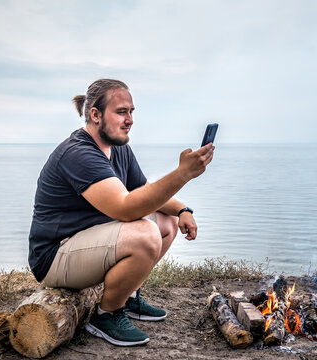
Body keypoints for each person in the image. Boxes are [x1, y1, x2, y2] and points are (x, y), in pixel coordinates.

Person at [28, 79, 215, 347]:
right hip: (54, 256)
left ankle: (128, 297)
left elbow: (146, 191)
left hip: (86, 243)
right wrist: (182, 173)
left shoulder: (119, 149)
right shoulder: (78, 153)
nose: (129, 120)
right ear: (95, 114)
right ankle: (106, 315)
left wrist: (183, 209)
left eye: (131, 112)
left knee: (166, 221)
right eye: (121, 112)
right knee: (145, 233)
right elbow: (126, 208)